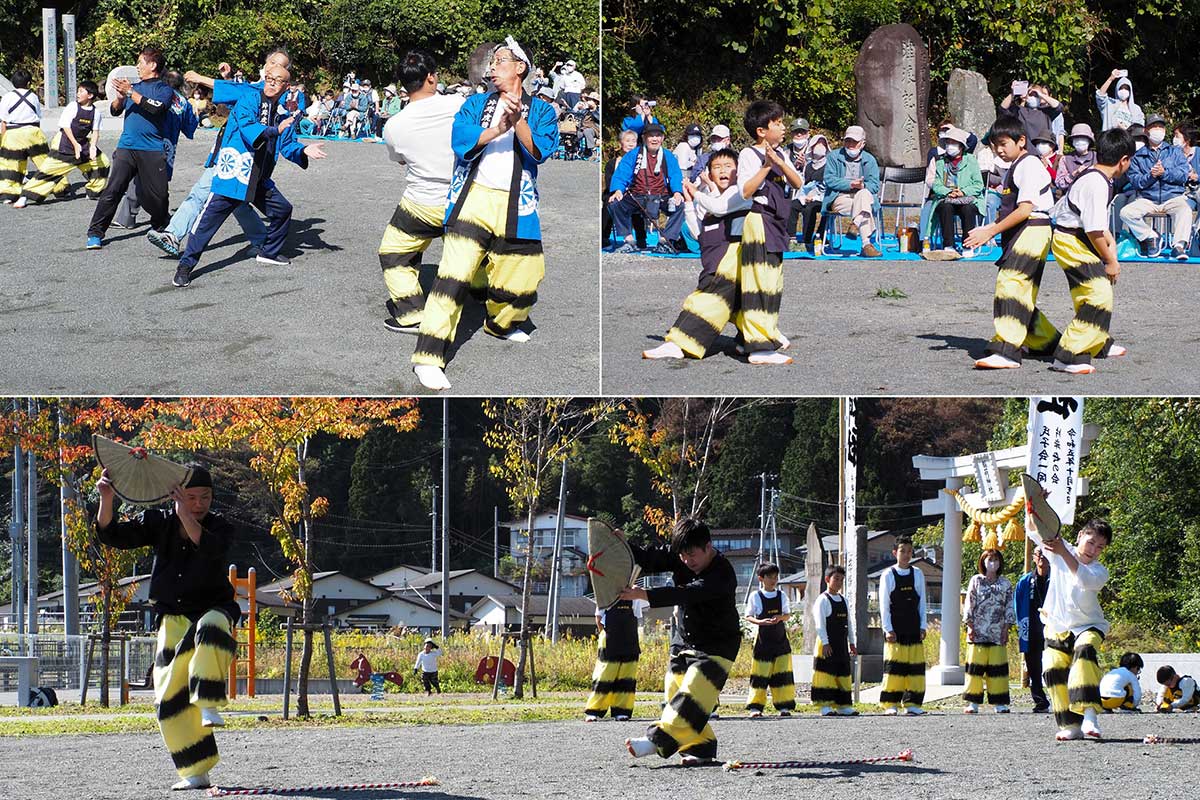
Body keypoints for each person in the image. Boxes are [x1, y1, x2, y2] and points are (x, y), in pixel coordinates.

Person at [409, 37, 559, 391]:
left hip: (517, 204)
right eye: (492, 63)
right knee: (452, 277)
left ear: (520, 68)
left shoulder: (543, 111)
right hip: (472, 199)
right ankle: (427, 357)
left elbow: (540, 150)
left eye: (501, 61)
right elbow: (460, 140)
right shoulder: (475, 104)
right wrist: (495, 129)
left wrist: (518, 120)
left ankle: (501, 324)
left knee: (524, 278)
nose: (492, 68)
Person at [95, 464, 240, 791]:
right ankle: (195, 769)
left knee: (212, 628)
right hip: (172, 616)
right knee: (168, 697)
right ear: (176, 495)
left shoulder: (221, 526)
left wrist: (183, 513)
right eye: (191, 498)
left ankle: (209, 700)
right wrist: (106, 498)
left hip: (214, 608)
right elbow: (112, 534)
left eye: (205, 497)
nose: (199, 504)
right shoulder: (158, 522)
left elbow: (208, 547)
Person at [171, 59, 327, 287]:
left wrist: (304, 149)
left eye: (278, 80)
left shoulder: (284, 111)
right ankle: (186, 265)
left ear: (286, 86)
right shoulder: (249, 97)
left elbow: (287, 143)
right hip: (235, 172)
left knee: (282, 209)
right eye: (269, 78)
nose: (272, 83)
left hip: (259, 176)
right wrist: (274, 129)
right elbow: (246, 126)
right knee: (206, 224)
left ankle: (268, 252)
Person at [619, 518, 740, 764]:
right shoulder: (681, 554)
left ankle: (655, 740)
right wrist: (621, 545)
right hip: (683, 641)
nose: (687, 561)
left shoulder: (723, 573)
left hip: (717, 646)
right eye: (682, 556)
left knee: (693, 693)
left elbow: (688, 592)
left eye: (692, 555)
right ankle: (701, 747)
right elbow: (647, 558)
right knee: (675, 693)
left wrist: (645, 594)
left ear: (708, 547)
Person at [147, 57, 283, 259]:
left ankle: (173, 235)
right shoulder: (257, 89)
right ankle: (262, 239)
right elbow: (234, 97)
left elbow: (235, 92)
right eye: (269, 62)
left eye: (276, 64)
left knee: (202, 194)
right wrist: (228, 77)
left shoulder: (261, 92)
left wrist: (199, 78)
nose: (269, 66)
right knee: (236, 202)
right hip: (233, 155)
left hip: (238, 159)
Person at [376, 50, 465, 331]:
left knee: (394, 253)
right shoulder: (459, 104)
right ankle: (484, 299)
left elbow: (399, 158)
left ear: (403, 84)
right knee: (476, 252)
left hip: (422, 203)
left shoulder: (394, 125)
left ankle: (412, 313)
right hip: (464, 199)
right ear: (431, 77)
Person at [640, 149, 754, 362]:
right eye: (716, 167)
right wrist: (689, 202)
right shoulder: (710, 197)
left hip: (731, 260)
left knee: (706, 299)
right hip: (714, 258)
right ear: (709, 174)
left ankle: (678, 343)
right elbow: (698, 232)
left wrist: (696, 192)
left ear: (739, 172)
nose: (722, 171)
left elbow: (720, 208)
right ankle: (758, 338)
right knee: (741, 305)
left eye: (728, 166)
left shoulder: (740, 192)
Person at [965, 116, 1057, 370]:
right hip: (1028, 231)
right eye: (995, 145)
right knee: (1021, 294)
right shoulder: (1019, 164)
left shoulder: (1028, 165)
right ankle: (1049, 342)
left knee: (1010, 286)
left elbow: (1026, 208)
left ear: (1021, 141)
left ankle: (1007, 349)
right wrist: (991, 228)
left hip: (1032, 229)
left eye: (1004, 144)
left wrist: (990, 231)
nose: (999, 150)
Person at [1046, 127, 1134, 374]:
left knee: (1088, 292)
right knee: (1097, 293)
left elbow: (1097, 226)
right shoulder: (1097, 183)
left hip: (1075, 238)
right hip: (1071, 241)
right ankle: (1068, 354)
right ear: (1123, 160)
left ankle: (1098, 343)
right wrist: (1111, 261)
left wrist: (1110, 247)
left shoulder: (1097, 177)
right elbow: (1095, 230)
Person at [85, 48, 176, 249]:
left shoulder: (164, 89)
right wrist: (119, 97)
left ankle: (161, 225)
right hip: (127, 146)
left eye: (140, 62)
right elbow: (115, 110)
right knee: (113, 190)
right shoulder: (132, 87)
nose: (137, 66)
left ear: (152, 65)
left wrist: (130, 92)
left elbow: (156, 107)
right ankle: (95, 233)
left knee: (159, 195)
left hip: (152, 148)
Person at [734, 100, 803, 361]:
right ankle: (758, 346)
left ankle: (759, 334)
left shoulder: (781, 153)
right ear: (761, 130)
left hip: (776, 223)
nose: (784, 127)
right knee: (757, 281)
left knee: (773, 281)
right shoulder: (748, 155)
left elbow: (797, 182)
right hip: (758, 219)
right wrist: (765, 165)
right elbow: (746, 191)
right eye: (778, 123)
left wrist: (780, 162)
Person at [1039, 518, 1113, 741]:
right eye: (1091, 542)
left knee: (1085, 650)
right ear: (1080, 535)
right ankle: (1070, 724)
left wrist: (1064, 553)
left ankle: (1090, 714)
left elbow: (1083, 579)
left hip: (1088, 626)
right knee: (1052, 669)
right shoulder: (1060, 550)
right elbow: (1036, 530)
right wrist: (1038, 502)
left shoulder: (1100, 571)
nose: (1094, 550)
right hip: (1057, 625)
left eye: (1100, 547)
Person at [113, 70, 198, 231]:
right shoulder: (183, 102)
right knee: (158, 184)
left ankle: (137, 218)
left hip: (146, 142)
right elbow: (190, 129)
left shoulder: (151, 94)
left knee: (137, 178)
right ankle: (153, 216)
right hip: (167, 148)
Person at [13, 80, 110, 207]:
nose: (77, 94)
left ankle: (93, 191)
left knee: (103, 163)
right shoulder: (72, 107)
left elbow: (95, 131)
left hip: (82, 144)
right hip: (64, 142)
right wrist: (75, 145)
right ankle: (25, 196)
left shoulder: (95, 112)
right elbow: (65, 127)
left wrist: (92, 147)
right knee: (48, 172)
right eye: (78, 91)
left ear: (90, 95)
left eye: (81, 91)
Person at [607, 122, 687, 255]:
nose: (655, 139)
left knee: (680, 206)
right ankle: (629, 241)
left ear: (662, 139)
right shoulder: (633, 155)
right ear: (644, 138)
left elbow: (675, 176)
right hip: (637, 195)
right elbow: (622, 174)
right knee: (615, 203)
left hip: (661, 195)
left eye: (658, 136)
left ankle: (664, 241)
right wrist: (618, 190)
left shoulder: (668, 156)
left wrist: (678, 193)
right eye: (651, 136)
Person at [1119, 114, 1192, 260]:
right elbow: (1135, 181)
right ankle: (1151, 236)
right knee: (1126, 212)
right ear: (1146, 131)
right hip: (1148, 199)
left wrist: (1164, 173)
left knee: (1185, 210)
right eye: (1154, 127)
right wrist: (1151, 176)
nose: (1158, 130)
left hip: (1172, 197)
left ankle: (1178, 246)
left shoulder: (1175, 152)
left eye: (1161, 127)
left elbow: (1183, 175)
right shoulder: (1138, 156)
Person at [878, 535, 927, 715]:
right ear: (894, 553)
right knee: (894, 668)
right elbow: (884, 605)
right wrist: (887, 629)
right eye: (902, 551)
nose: (906, 555)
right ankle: (890, 704)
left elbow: (922, 602)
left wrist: (923, 626)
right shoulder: (888, 575)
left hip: (913, 627)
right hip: (895, 630)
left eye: (909, 551)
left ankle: (913, 704)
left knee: (914, 668)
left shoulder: (918, 573)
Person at [962, 548, 1015, 714]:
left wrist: (1006, 628)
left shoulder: (1005, 583)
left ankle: (999, 702)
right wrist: (969, 626)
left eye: (996, 560)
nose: (993, 563)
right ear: (983, 561)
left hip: (997, 631)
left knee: (997, 669)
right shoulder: (976, 580)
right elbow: (969, 602)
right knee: (974, 669)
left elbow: (1009, 606)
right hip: (978, 630)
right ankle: (973, 702)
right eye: (989, 560)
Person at [822, 125, 882, 258]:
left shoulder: (870, 160)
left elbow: (874, 185)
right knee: (864, 207)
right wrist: (850, 184)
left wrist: (862, 186)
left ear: (862, 143)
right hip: (839, 197)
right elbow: (829, 180)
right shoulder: (833, 157)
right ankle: (866, 244)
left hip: (863, 197)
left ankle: (856, 224)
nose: (850, 144)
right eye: (848, 141)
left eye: (854, 142)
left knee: (864, 194)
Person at [743, 562, 795, 717]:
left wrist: (780, 617)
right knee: (759, 675)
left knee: (782, 674)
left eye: (775, 577)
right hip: (762, 642)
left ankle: (783, 706)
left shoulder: (782, 595)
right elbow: (748, 616)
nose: (773, 580)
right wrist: (760, 622)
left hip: (781, 641)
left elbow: (787, 615)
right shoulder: (755, 596)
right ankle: (755, 707)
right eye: (770, 577)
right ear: (761, 578)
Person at [584, 595, 647, 721]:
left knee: (627, 676)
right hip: (610, 638)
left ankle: (622, 710)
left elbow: (637, 615)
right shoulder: (605, 594)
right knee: (604, 675)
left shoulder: (634, 595)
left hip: (630, 638)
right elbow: (599, 618)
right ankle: (594, 710)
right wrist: (605, 635)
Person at [925, 126, 984, 259]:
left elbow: (978, 185)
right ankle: (948, 245)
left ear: (961, 146)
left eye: (953, 143)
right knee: (945, 207)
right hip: (946, 198)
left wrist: (962, 192)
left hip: (968, 198)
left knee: (968, 209)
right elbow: (936, 183)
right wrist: (947, 192)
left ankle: (967, 245)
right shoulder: (940, 161)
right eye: (948, 143)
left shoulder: (971, 160)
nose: (949, 146)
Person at [0, 69, 54, 203]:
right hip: (32, 131)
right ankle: (59, 188)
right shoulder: (33, 97)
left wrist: (3, 138)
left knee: (11, 165)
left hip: (13, 133)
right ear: (29, 83)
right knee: (45, 162)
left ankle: (8, 195)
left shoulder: (7, 97)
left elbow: (4, 121)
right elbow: (38, 116)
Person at [812, 564, 858, 717]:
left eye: (842, 580)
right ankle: (824, 706)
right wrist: (825, 642)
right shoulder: (822, 600)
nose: (839, 582)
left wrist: (852, 642)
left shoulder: (844, 600)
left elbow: (849, 623)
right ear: (827, 579)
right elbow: (820, 624)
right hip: (826, 645)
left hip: (841, 644)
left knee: (843, 674)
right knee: (826, 675)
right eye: (836, 579)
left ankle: (843, 706)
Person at [1014, 545, 1051, 713]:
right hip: (1032, 628)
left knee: (1056, 665)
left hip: (1054, 628)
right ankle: (1040, 701)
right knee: (1034, 667)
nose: (1042, 557)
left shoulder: (1058, 578)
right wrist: (1020, 627)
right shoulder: (1024, 581)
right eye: (1039, 554)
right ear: (1034, 558)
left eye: (1045, 553)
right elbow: (1017, 605)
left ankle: (1062, 698)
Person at [787, 133, 828, 253]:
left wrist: (815, 196)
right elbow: (803, 184)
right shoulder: (808, 165)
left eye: (823, 144)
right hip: (806, 196)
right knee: (792, 205)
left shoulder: (829, 165)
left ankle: (807, 240)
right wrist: (803, 197)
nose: (820, 147)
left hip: (822, 198)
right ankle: (792, 238)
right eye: (817, 144)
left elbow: (827, 186)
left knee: (809, 209)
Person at [999, 81, 1065, 153]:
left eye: (1036, 95)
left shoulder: (1046, 112)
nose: (1033, 97)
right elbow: (1002, 109)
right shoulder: (1019, 111)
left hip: (1044, 153)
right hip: (1025, 153)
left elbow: (1059, 107)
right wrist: (1013, 93)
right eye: (1031, 95)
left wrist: (1041, 95)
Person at [603, 129, 642, 246]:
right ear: (621, 143)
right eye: (627, 141)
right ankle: (604, 235)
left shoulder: (641, 162)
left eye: (633, 141)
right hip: (614, 192)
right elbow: (610, 183)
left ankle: (641, 238)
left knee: (638, 203)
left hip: (635, 193)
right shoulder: (612, 163)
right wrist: (618, 191)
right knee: (610, 203)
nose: (631, 144)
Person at [1054, 123, 1098, 194]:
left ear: (1089, 141)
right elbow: (1059, 183)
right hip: (1071, 198)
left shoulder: (1097, 157)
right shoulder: (1065, 159)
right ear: (1072, 142)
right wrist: (1073, 175)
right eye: (1076, 139)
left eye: (1083, 138)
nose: (1080, 141)